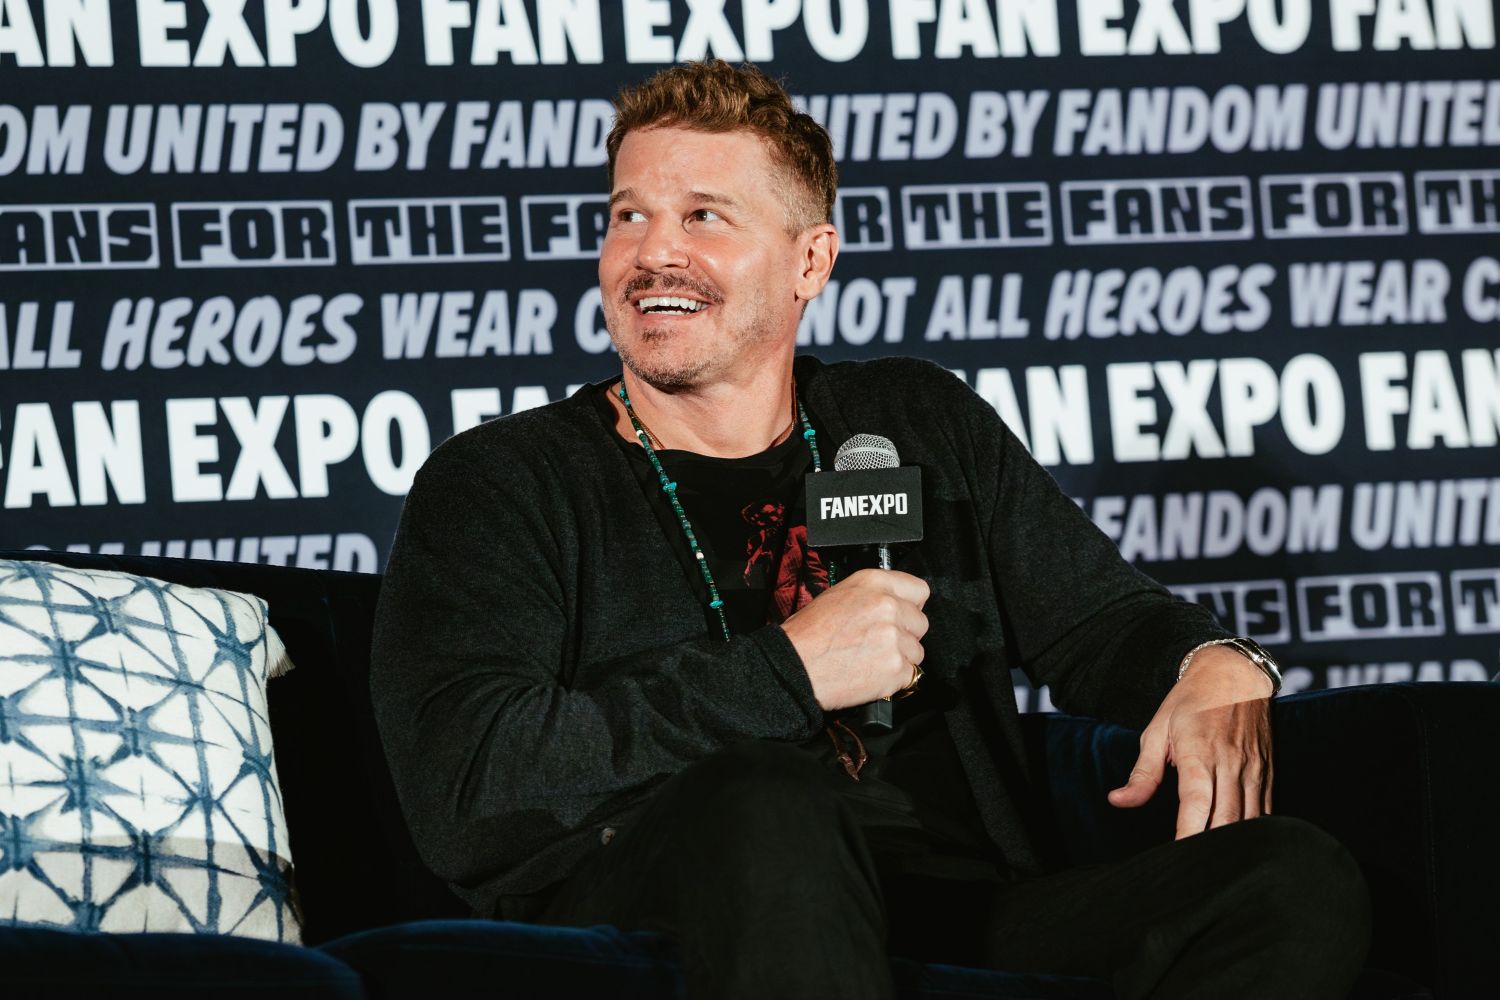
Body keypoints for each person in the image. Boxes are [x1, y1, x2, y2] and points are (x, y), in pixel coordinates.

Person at [369, 61, 1370, 999]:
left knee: (1289, 875)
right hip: (677, 907)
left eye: (703, 215)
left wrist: (1212, 660)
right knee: (767, 801)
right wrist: (788, 672)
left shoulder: (913, 422)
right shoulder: (503, 481)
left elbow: (1099, 621)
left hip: (951, 908)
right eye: (628, 214)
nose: (652, 252)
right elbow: (470, 784)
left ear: (810, 261)